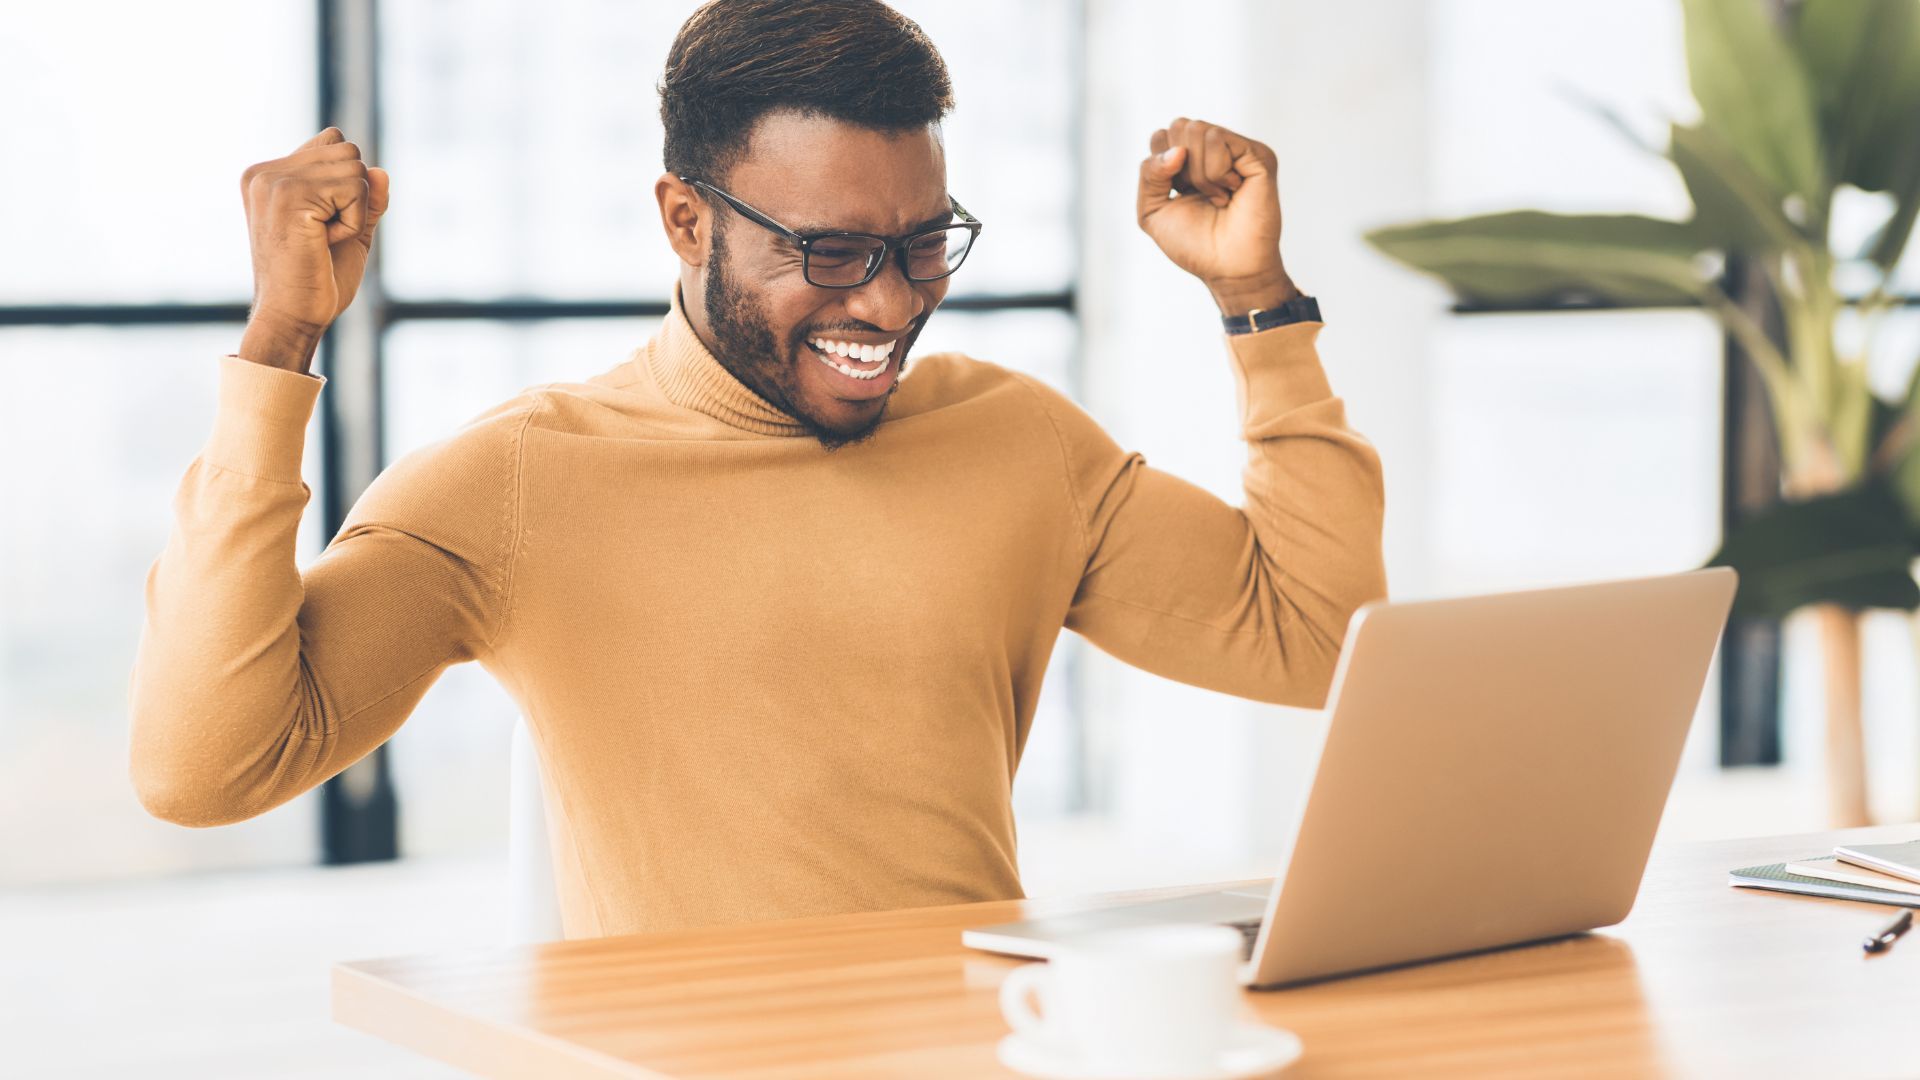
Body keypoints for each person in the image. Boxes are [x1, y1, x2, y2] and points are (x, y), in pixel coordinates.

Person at [129, 0, 1387, 938]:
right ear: (686, 220)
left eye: (923, 246)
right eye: (833, 252)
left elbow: (1320, 639)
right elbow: (206, 770)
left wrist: (1256, 301)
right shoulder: (516, 482)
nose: (889, 305)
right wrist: (280, 347)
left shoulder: (1017, 442)